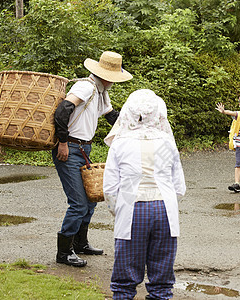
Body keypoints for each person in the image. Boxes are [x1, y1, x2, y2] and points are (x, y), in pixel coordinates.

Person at [102, 89, 186, 300]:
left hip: (132, 209)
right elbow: (178, 185)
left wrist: (118, 211)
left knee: (125, 275)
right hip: (164, 210)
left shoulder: (120, 143)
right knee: (161, 276)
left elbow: (110, 188)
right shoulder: (167, 142)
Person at [53, 51, 133, 267]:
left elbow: (111, 117)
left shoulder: (100, 91)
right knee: (78, 203)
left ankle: (80, 244)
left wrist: (135, 127)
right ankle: (63, 253)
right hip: (69, 147)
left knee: (90, 201)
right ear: (105, 75)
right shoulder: (86, 87)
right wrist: (61, 143)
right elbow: (62, 111)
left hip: (83, 149)